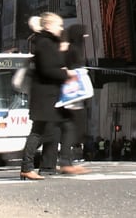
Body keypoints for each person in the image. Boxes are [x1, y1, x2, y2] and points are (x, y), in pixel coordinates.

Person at [20, 13, 76, 180]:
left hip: (50, 94)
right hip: (44, 95)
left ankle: (50, 166)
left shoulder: (49, 42)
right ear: (48, 26)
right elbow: (47, 69)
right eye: (58, 25)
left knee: (57, 128)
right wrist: (66, 73)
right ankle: (27, 167)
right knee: (38, 132)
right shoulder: (44, 43)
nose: (61, 28)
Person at [57, 23, 90, 175]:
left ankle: (65, 160)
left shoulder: (66, 50)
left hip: (67, 95)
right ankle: (65, 161)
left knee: (68, 129)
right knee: (72, 128)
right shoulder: (75, 50)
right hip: (74, 95)